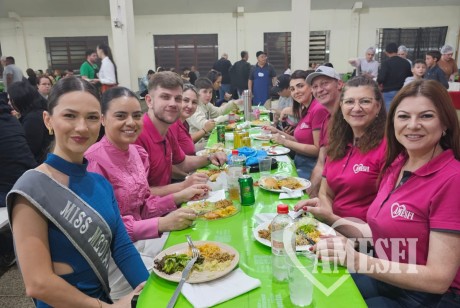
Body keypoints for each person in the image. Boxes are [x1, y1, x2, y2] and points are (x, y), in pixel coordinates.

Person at [299, 80, 460, 307]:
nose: (413, 125)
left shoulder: (453, 179)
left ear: (445, 122)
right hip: (387, 273)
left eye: (426, 116)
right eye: (404, 116)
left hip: (426, 297)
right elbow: (380, 233)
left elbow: (438, 279)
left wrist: (356, 259)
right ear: (392, 121)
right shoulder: (398, 164)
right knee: (311, 281)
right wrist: (332, 222)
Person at [6, 77, 148, 307]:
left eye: (91, 117)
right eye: (70, 116)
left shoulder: (100, 184)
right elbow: (38, 283)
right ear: (48, 120)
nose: (82, 127)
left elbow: (122, 249)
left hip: (104, 299)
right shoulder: (31, 189)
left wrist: (151, 292)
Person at [85, 86, 208, 299]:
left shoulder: (137, 153)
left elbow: (144, 204)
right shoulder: (93, 163)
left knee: (202, 246)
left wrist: (180, 196)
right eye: (121, 116)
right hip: (114, 256)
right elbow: (104, 229)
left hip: (143, 239)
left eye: (135, 115)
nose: (131, 122)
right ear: (103, 119)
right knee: (186, 284)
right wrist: (163, 223)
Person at [295, 76, 386, 227]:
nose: (356, 108)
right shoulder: (338, 142)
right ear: (341, 107)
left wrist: (331, 220)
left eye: (365, 101)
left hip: (362, 241)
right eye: (350, 102)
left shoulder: (387, 148)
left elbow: (382, 223)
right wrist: (326, 214)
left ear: (377, 107)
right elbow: (326, 193)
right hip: (332, 228)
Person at [134, 72, 226, 196]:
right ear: (149, 101)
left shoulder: (167, 128)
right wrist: (184, 185)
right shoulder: (136, 135)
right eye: (165, 97)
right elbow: (138, 194)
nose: (173, 103)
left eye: (177, 98)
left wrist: (209, 158)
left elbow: (182, 162)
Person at [265, 70, 329, 179]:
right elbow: (299, 141)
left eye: (300, 86)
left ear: (311, 87)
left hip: (310, 167)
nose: (296, 92)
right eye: (292, 89)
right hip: (300, 162)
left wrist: (284, 141)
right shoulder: (305, 108)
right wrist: (278, 132)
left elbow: (317, 150)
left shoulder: (318, 109)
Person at [306, 65, 344, 197]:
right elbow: (321, 163)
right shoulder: (326, 120)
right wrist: (308, 195)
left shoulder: (352, 118)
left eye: (325, 83)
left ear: (339, 84)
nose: (319, 90)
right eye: (315, 87)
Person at [7, 81, 53, 164]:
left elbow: (29, 149)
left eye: (11, 99)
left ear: (20, 99)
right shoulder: (38, 112)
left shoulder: (33, 119)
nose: (9, 103)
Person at [169, 83, 208, 155]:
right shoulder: (171, 124)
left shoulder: (185, 123)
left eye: (194, 102)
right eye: (186, 100)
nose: (190, 106)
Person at [377, 42, 412, 111]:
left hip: (388, 91)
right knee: (401, 112)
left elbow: (381, 78)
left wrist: (379, 83)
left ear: (386, 52)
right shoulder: (406, 63)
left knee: (389, 113)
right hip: (403, 91)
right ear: (397, 51)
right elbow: (410, 77)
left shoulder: (386, 63)